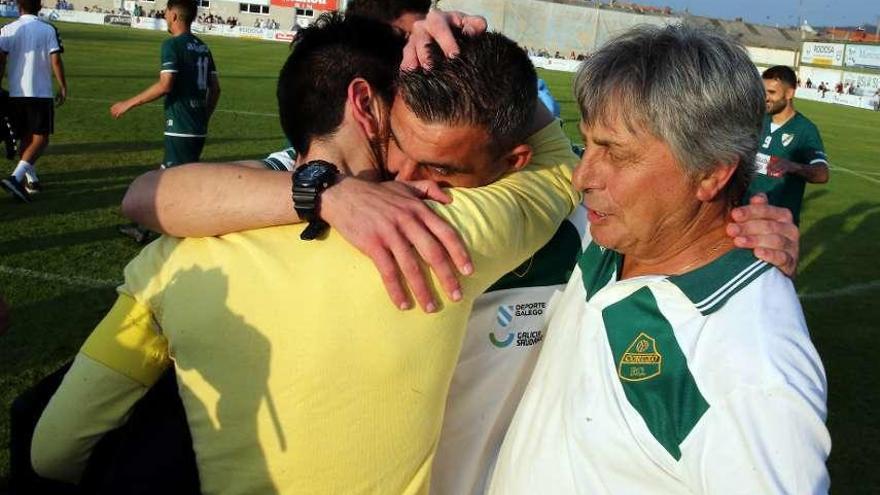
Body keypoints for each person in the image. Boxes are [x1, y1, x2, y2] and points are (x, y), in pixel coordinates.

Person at [116, 10, 800, 495]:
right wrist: (323, 193)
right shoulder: (336, 179)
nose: (409, 178)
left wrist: (744, 241)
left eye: (443, 169)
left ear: (515, 157)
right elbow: (148, 195)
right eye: (401, 147)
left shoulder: (577, 225)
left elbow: (670, 235)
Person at [31, 15, 582, 493]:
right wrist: (467, 54)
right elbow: (556, 158)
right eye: (407, 114)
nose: (413, 168)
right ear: (366, 104)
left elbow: (53, 450)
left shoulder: (178, 253)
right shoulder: (446, 232)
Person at [490, 25, 830, 494]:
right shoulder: (613, 234)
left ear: (710, 172)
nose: (582, 175)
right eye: (587, 143)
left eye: (617, 153)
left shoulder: (752, 374)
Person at [110, 0, 220, 242]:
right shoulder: (203, 47)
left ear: (174, 16)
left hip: (180, 127)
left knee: (164, 181)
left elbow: (166, 84)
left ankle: (197, 227)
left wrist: (128, 103)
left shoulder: (172, 45)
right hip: (197, 127)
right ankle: (149, 227)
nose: (164, 15)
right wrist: (204, 115)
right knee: (179, 179)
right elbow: (216, 89)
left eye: (166, 12)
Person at [0, 0, 67, 203]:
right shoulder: (48, 29)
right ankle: (16, 178)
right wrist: (63, 86)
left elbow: (0, 60)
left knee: (26, 139)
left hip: (16, 93)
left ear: (19, 7)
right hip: (39, 93)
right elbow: (55, 59)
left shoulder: (7, 29)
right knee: (40, 140)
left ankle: (30, 181)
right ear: (39, 6)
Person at [745, 65, 829, 225]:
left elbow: (822, 174)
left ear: (789, 93)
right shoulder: (758, 121)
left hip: (778, 224)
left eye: (772, 92)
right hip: (745, 214)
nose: (765, 98)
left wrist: (793, 166)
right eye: (763, 92)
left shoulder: (805, 130)